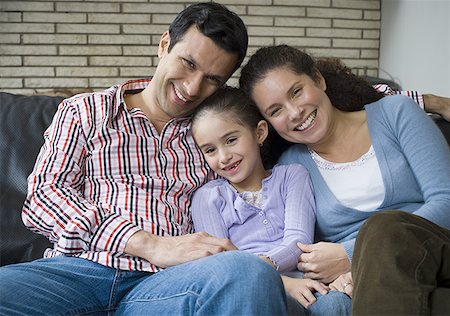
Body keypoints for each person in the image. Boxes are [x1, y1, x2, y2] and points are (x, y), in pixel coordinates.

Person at [0, 3, 288, 315]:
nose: (192, 88)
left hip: (165, 285)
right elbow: (44, 199)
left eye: (212, 79)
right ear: (164, 45)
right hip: (77, 272)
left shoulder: (213, 136)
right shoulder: (85, 111)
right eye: (188, 63)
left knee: (249, 274)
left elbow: (246, 205)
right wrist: (149, 244)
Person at [239, 45, 450, 313]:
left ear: (318, 80)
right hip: (366, 282)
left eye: (296, 92)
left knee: (384, 229)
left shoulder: (396, 113)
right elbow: (300, 245)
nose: (294, 113)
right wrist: (342, 275)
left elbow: (447, 201)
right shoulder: (289, 168)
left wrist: (351, 255)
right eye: (276, 110)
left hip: (436, 247)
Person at [189, 86, 335, 310]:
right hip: (247, 287)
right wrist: (281, 282)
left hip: (304, 280)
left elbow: (298, 242)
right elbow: (220, 263)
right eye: (210, 150)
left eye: (231, 140)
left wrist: (265, 267)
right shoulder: (207, 198)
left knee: (335, 305)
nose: (223, 157)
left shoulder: (292, 175)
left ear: (259, 133)